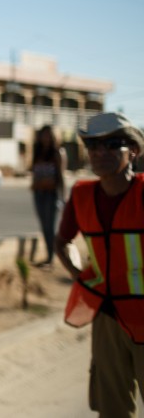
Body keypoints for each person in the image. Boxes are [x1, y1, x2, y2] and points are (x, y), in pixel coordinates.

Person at [55, 112, 144, 418]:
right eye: (93, 144)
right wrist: (82, 278)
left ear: (133, 150)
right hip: (109, 317)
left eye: (112, 144)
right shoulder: (82, 195)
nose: (99, 152)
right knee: (112, 408)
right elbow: (63, 241)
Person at [30, 125, 66, 267]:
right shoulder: (38, 151)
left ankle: (51, 257)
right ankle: (49, 255)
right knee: (44, 226)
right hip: (39, 193)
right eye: (43, 135)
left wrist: (63, 197)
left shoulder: (58, 153)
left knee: (50, 226)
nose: (46, 138)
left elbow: (61, 176)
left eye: (48, 135)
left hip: (52, 194)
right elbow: (34, 171)